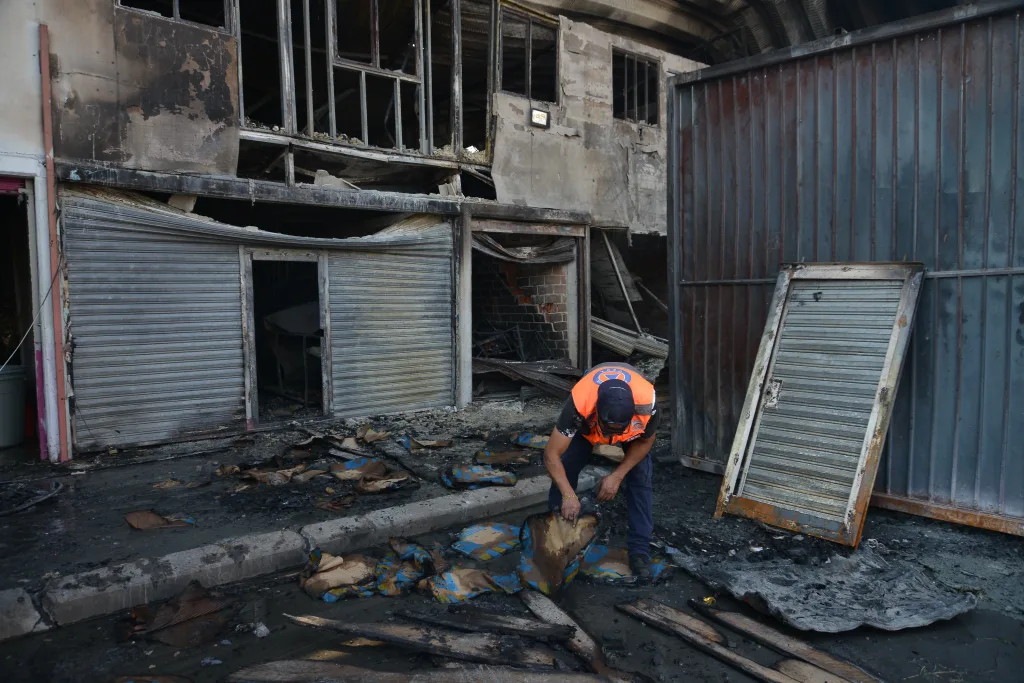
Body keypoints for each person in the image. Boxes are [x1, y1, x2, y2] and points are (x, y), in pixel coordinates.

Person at [542, 362, 658, 580]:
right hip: (588, 429)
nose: (610, 436)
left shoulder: (647, 404)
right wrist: (568, 494)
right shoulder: (579, 404)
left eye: (616, 430)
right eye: (608, 429)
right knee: (567, 467)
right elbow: (551, 455)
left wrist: (617, 475)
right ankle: (558, 541)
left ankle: (639, 552)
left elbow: (645, 443)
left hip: (632, 434)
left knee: (641, 478)